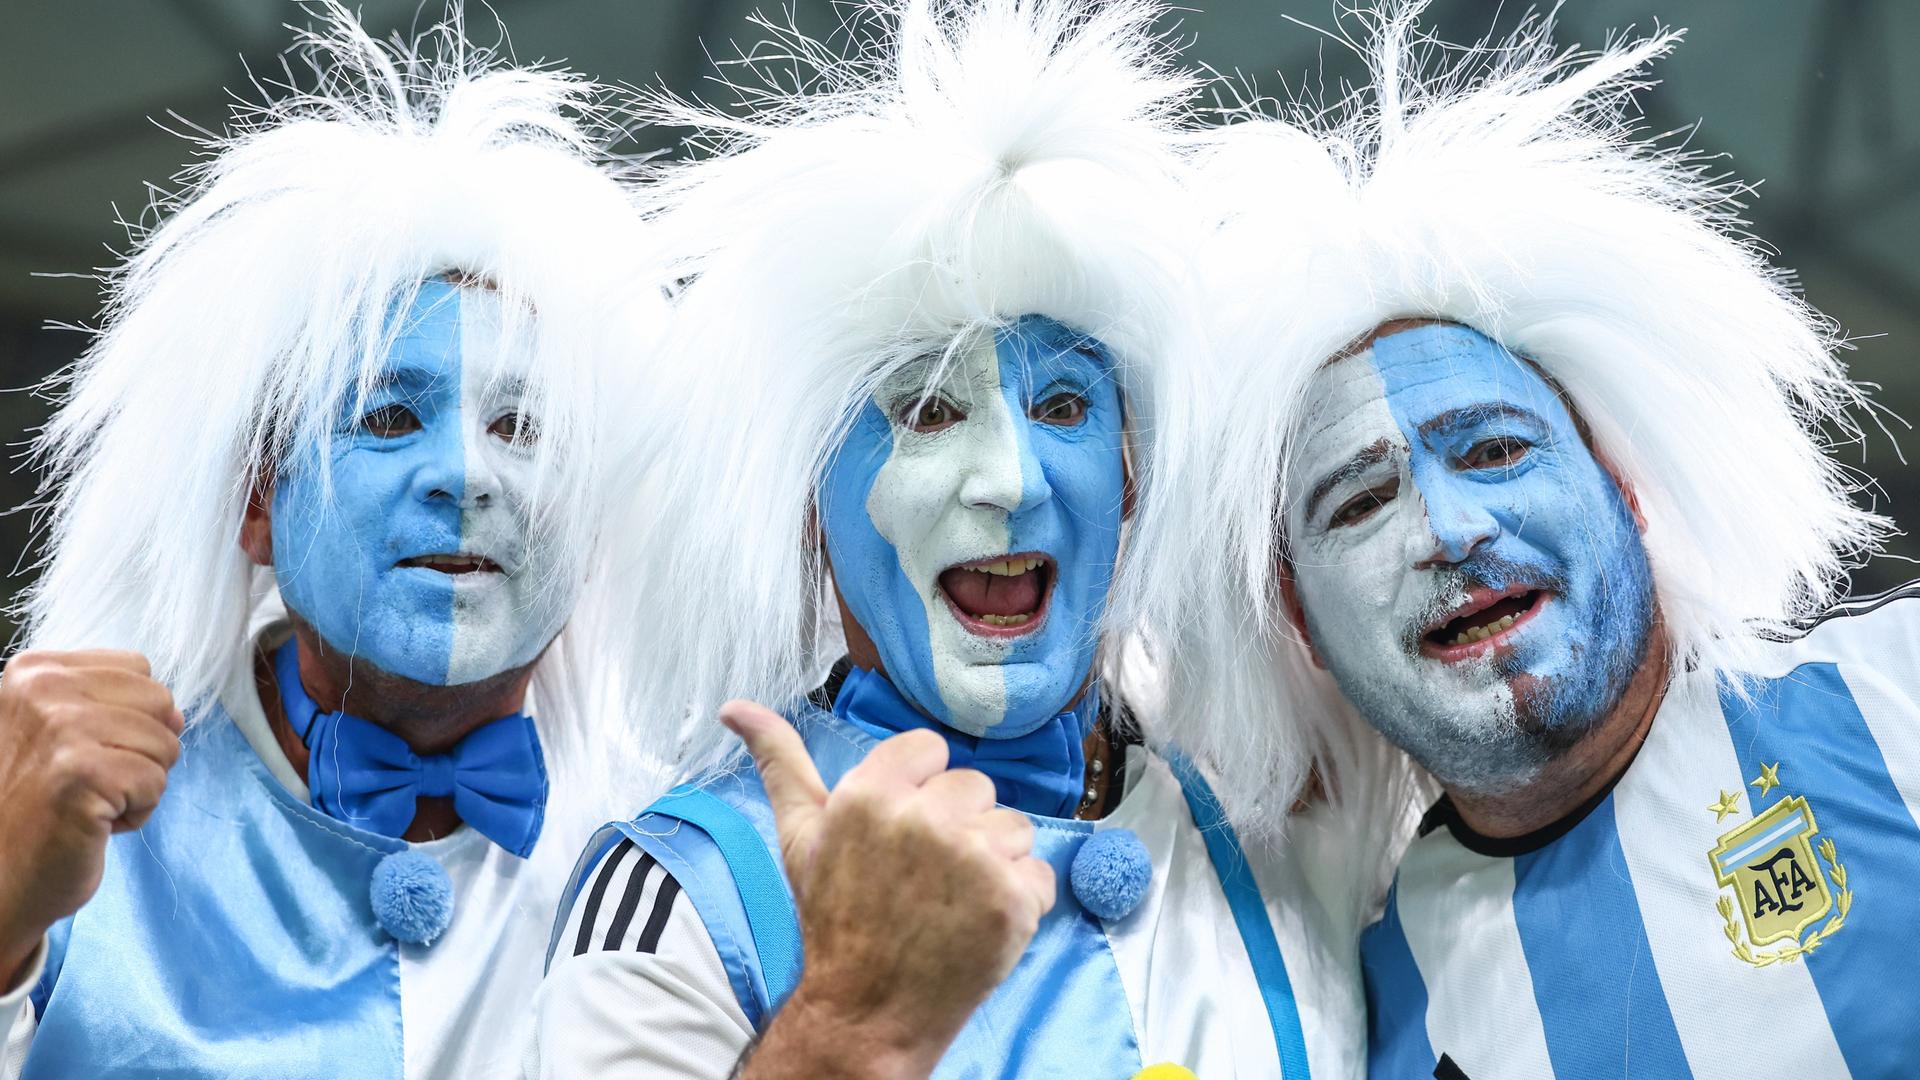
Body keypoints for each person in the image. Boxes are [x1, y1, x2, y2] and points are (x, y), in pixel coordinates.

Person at [524, 1, 1363, 1076]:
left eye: (1064, 408)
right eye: (925, 411)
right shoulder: (684, 889)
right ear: (808, 512)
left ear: (1133, 477)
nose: (1011, 483)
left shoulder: (1281, 838)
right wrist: (847, 1028)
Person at [1188, 3, 1918, 1077]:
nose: (1444, 530)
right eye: (1359, 505)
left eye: (1490, 453)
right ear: (1301, 625)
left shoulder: (1896, 703)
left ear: (1625, 486)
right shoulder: (1373, 1013)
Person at [0, 5, 665, 1075]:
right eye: (389, 418)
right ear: (257, 503)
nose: (465, 473)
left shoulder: (673, 848)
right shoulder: (68, 807)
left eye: (524, 428)